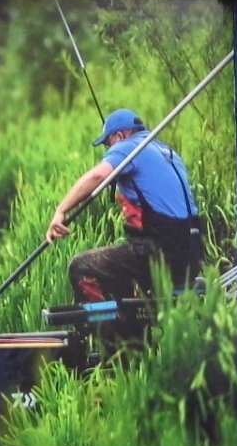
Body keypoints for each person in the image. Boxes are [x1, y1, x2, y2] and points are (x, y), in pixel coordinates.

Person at [46, 107, 204, 303]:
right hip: (192, 254)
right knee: (121, 264)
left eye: (107, 144)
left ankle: (111, 333)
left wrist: (60, 211)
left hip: (161, 255)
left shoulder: (129, 147)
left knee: (81, 266)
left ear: (119, 136)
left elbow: (97, 175)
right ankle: (131, 324)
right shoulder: (168, 152)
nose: (108, 151)